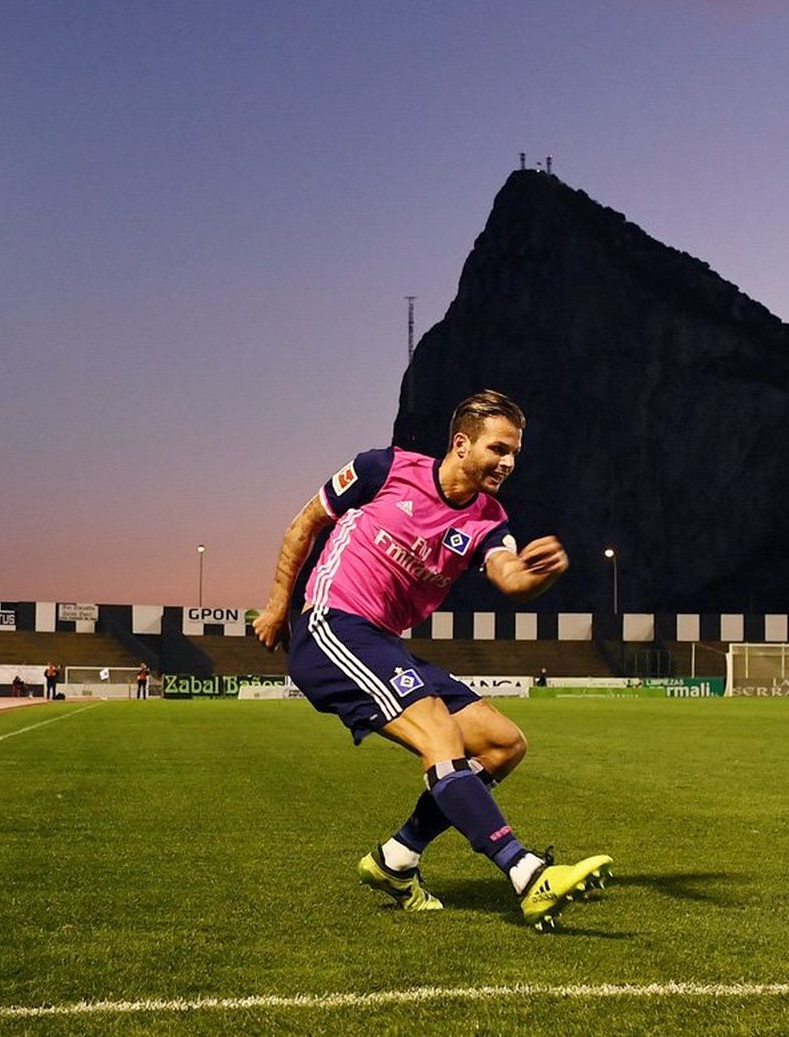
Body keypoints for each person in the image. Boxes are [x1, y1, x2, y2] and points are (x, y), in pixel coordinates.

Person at [252, 390, 612, 929]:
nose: (508, 462)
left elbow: (508, 576)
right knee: (440, 734)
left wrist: (544, 573)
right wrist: (280, 605)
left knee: (501, 744)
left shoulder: (490, 517)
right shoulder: (384, 468)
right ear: (461, 444)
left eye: (515, 452)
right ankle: (526, 872)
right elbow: (305, 524)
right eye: (498, 448)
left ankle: (397, 858)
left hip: (384, 645)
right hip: (333, 624)